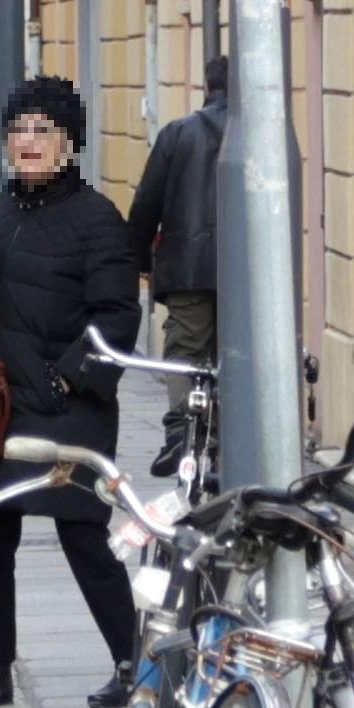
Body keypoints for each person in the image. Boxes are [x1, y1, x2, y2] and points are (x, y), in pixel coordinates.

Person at [0, 74, 143, 708]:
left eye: (42, 131)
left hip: (68, 406)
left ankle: (131, 658)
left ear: (68, 143)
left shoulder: (98, 218)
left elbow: (117, 316)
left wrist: (70, 377)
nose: (27, 142)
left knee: (84, 534)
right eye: (17, 130)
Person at [125, 54, 228, 474]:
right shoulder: (265, 132)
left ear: (208, 85)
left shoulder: (177, 133)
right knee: (240, 352)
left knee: (185, 350)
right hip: (250, 274)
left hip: (188, 267)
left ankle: (179, 432)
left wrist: (136, 258)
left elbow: (146, 203)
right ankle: (232, 434)